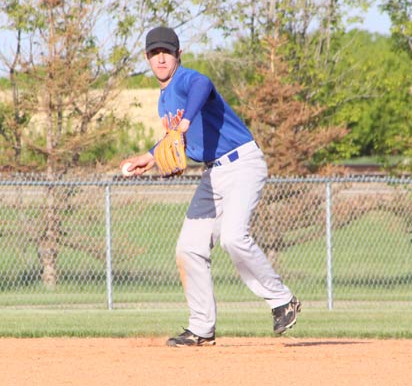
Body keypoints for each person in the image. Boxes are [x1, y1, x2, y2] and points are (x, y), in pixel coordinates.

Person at [120, 26, 300, 347]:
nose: (160, 58)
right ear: (147, 58)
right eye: (154, 53)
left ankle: (282, 300)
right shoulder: (164, 102)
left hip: (242, 162)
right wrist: (150, 157)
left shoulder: (188, 80)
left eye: (167, 52)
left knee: (233, 237)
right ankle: (201, 328)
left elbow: (204, 85)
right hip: (213, 174)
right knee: (188, 248)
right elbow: (175, 140)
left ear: (178, 55)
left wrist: (186, 121)